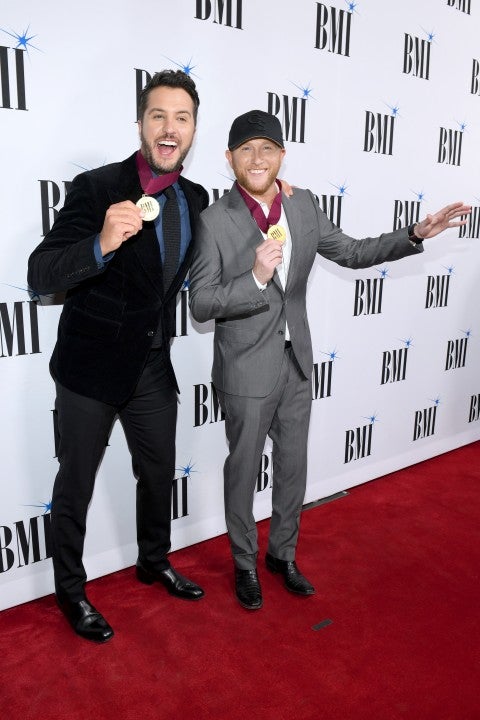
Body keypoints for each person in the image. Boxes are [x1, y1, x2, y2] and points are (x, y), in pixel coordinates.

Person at [188, 109, 471, 611]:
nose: (258, 158)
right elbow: (202, 303)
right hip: (245, 369)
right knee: (243, 470)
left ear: (282, 155)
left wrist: (414, 234)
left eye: (267, 148)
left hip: (297, 362)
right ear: (229, 158)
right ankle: (245, 563)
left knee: (293, 468)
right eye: (246, 149)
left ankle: (282, 555)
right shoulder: (213, 221)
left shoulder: (303, 205)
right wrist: (254, 278)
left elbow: (353, 252)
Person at [27, 70, 210, 643]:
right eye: (158, 115)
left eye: (181, 117)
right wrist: (101, 244)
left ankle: (153, 561)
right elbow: (41, 274)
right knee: (75, 484)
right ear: (140, 124)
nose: (169, 128)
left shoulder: (195, 198)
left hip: (151, 366)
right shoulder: (97, 186)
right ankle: (70, 590)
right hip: (90, 368)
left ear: (193, 130)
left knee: (157, 473)